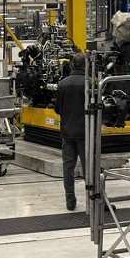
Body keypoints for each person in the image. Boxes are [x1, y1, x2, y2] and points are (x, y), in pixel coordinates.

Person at [54, 52, 87, 211]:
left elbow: (57, 109)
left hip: (67, 132)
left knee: (68, 168)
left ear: (72, 65)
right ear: (86, 65)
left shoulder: (63, 83)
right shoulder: (89, 83)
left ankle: (70, 201)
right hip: (85, 133)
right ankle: (94, 200)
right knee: (90, 168)